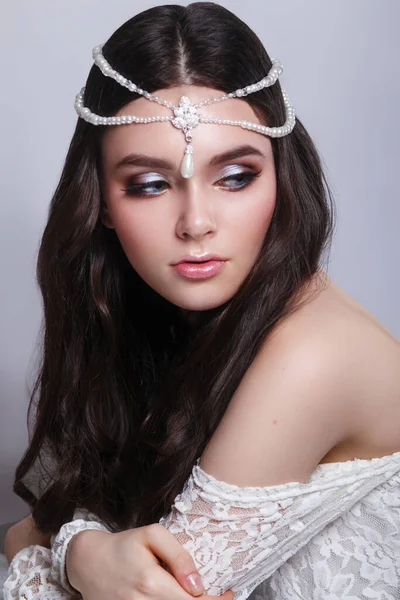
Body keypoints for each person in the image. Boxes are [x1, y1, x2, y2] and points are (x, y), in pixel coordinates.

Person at [3, 2, 400, 599]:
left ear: (280, 177)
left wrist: (72, 558)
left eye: (235, 176)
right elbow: (22, 533)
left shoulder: (315, 354)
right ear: (101, 204)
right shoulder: (155, 327)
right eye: (150, 184)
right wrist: (81, 550)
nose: (196, 223)